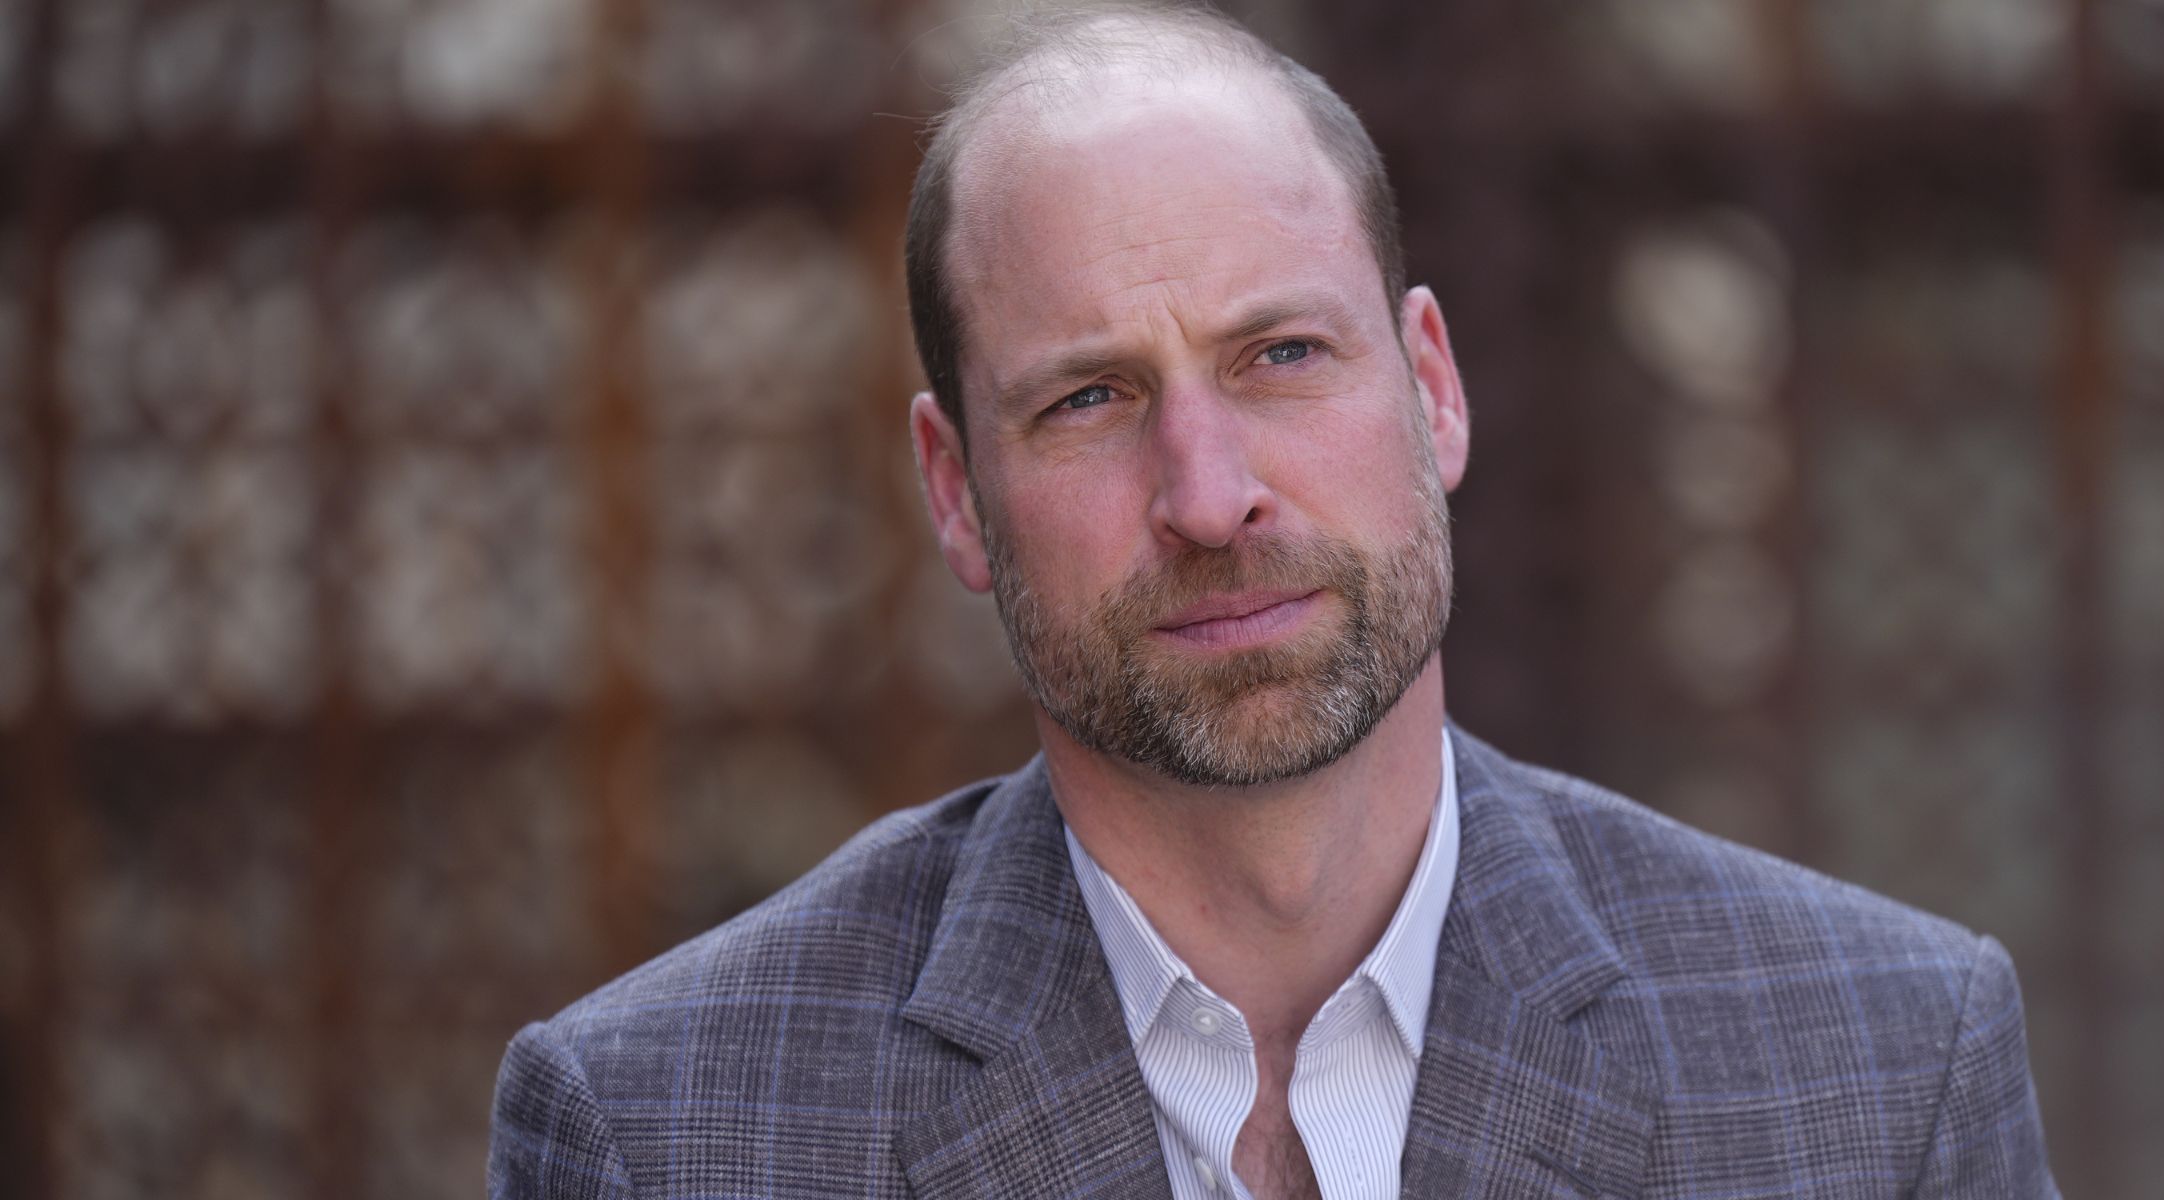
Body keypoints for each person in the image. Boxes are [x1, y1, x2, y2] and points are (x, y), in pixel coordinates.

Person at [487, 5, 2059, 1197]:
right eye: (1090, 398)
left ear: (1432, 389)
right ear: (957, 492)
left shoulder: (1886, 1077)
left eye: (1282, 356)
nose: (1209, 492)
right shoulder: (660, 1134)